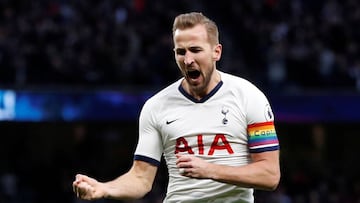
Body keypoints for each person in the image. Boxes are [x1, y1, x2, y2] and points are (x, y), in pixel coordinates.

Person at [73, 12, 281, 203]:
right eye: (181, 52)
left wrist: (210, 170)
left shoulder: (249, 96)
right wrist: (104, 188)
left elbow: (270, 175)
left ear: (216, 52)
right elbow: (140, 179)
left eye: (195, 50)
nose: (188, 60)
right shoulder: (156, 106)